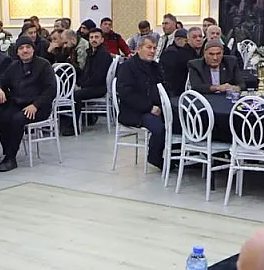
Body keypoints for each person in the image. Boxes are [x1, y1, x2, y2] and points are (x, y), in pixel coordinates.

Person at [0, 37, 56, 172]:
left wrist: (36, 105)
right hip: (19, 103)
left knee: (18, 119)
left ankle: (11, 158)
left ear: (33, 49)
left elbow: (51, 90)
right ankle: (8, 151)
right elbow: (0, 80)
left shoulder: (44, 65)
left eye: (28, 47)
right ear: (17, 52)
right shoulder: (14, 66)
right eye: (21, 48)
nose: (25, 51)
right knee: (2, 116)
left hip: (39, 107)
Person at [116, 36, 165, 171]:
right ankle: (155, 158)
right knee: (158, 127)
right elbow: (126, 94)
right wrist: (149, 107)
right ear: (139, 49)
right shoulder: (127, 67)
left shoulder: (155, 67)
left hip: (155, 107)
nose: (152, 51)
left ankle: (173, 156)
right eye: (148, 47)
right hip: (133, 111)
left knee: (176, 122)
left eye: (154, 48)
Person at [75, 28, 113, 109]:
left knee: (75, 95)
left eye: (96, 37)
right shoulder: (90, 53)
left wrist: (83, 86)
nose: (93, 40)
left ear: (102, 40)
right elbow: (86, 72)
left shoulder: (103, 54)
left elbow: (98, 76)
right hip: (91, 86)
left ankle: (76, 117)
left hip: (99, 87)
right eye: (91, 37)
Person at [156, 28, 192, 96]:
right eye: (186, 41)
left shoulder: (177, 50)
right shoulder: (171, 52)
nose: (187, 43)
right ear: (178, 39)